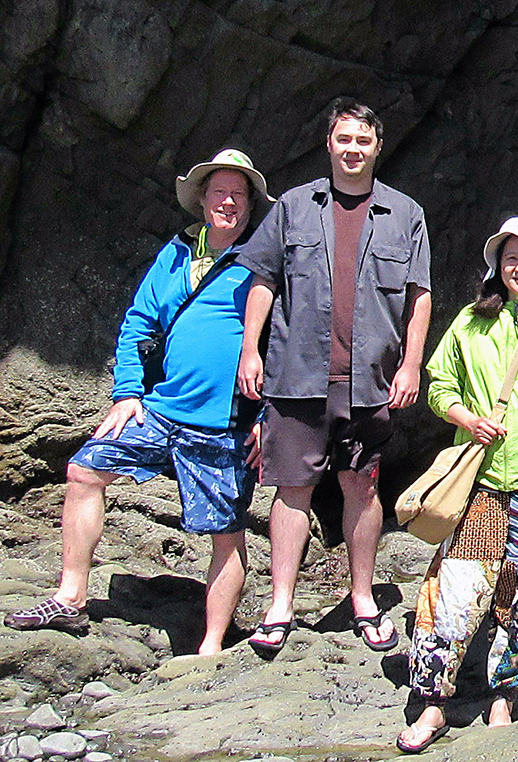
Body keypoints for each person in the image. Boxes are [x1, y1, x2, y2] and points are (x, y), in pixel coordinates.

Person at [4, 149, 273, 655]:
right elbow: (137, 324)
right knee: (84, 471)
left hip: (223, 424)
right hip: (161, 410)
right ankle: (70, 596)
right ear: (201, 198)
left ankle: (211, 649)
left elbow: (287, 342)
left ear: (252, 204)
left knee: (226, 531)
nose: (228, 202)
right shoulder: (174, 254)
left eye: (239, 194)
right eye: (219, 191)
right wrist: (127, 394)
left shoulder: (265, 261)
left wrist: (269, 417)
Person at [236, 97, 431, 658]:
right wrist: (251, 351)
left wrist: (412, 364)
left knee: (362, 487)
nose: (353, 150)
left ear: (377, 146)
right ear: (329, 144)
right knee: (291, 489)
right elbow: (262, 281)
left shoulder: (406, 213)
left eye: (363, 141)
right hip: (295, 377)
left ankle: (363, 598)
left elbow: (420, 295)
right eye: (343, 139)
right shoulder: (294, 207)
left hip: (369, 381)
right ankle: (280, 605)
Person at [396, 216, 518, 754]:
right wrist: (467, 418)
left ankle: (502, 696)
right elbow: (439, 386)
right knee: (452, 591)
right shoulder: (470, 321)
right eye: (512, 257)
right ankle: (432, 702)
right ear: (497, 265)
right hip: (480, 484)